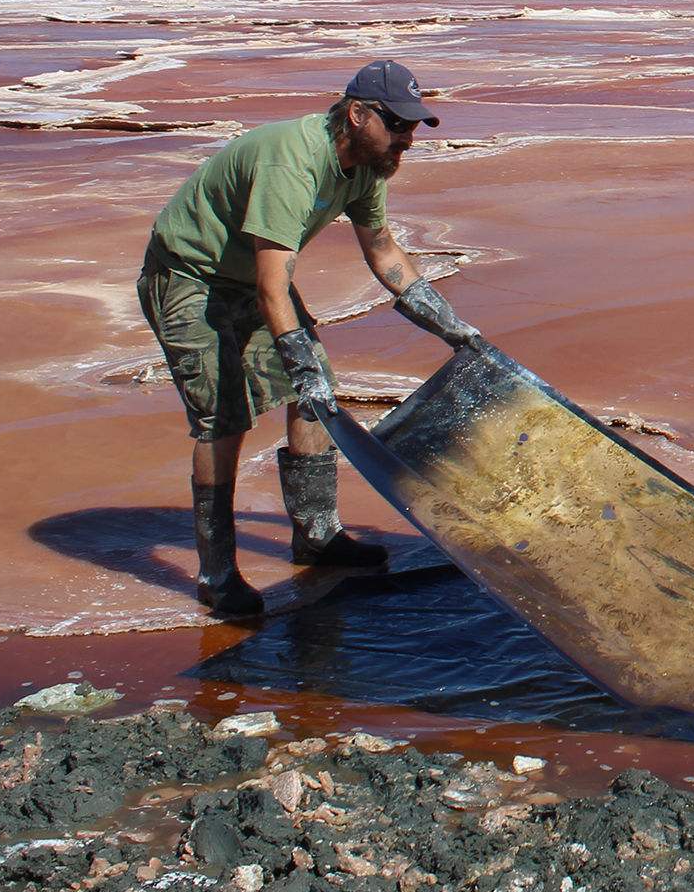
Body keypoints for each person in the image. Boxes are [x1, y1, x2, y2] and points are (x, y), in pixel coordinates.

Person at [136, 59, 483, 615]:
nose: (406, 140)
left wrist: (454, 329)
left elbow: (384, 252)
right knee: (224, 418)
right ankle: (217, 573)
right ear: (357, 114)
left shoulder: (369, 168)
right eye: (396, 125)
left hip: (249, 278)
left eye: (413, 127)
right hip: (190, 276)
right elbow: (274, 286)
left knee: (315, 394)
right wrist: (298, 360)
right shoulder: (291, 164)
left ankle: (317, 536)